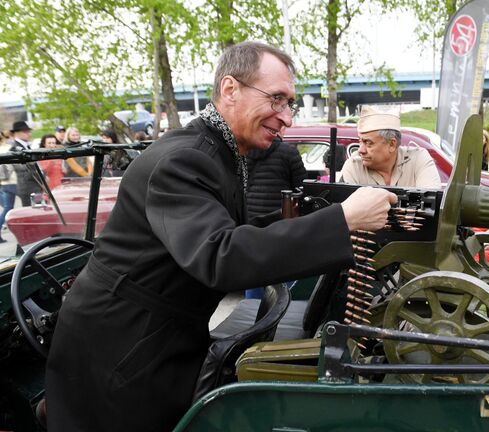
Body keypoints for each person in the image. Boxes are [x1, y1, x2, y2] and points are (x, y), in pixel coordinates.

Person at [45, 41, 396, 432]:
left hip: (156, 338)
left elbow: (231, 233)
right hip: (123, 350)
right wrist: (342, 220)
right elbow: (220, 256)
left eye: (290, 104)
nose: (287, 118)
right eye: (276, 99)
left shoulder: (222, 153)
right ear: (230, 90)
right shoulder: (185, 158)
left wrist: (327, 217)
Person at [244, 137, 307, 299]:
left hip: (252, 220)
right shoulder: (289, 152)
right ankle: (284, 310)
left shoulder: (245, 152)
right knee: (285, 272)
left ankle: (252, 314)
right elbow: (302, 188)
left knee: (255, 273)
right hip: (281, 221)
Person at [340, 106, 441, 188]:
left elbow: (431, 205)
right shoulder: (354, 165)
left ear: (392, 144)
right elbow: (349, 210)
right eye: (360, 141)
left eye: (368, 143)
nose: (360, 150)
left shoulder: (418, 158)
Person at [8, 121, 42, 206]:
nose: (28, 133)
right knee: (31, 213)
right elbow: (23, 168)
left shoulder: (26, 146)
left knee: (39, 210)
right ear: (16, 133)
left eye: (28, 131)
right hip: (28, 187)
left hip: (35, 185)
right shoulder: (15, 149)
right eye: (25, 131)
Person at [0, 137, 16, 242]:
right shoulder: (7, 148)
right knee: (8, 208)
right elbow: (11, 166)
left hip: (3, 182)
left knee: (7, 207)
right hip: (11, 181)